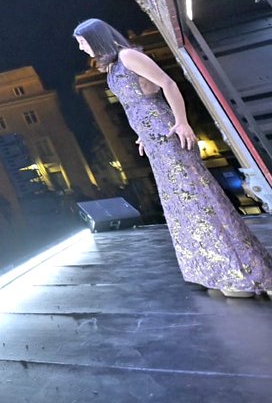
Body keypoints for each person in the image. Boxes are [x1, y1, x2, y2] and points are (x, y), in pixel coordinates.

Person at [74, 18, 272, 297]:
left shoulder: (128, 56)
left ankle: (247, 274)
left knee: (198, 198)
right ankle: (219, 270)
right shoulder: (112, 67)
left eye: (83, 42)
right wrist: (143, 134)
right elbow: (137, 103)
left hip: (167, 133)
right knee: (182, 203)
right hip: (154, 138)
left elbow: (167, 83)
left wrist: (181, 122)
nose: (81, 48)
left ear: (97, 38)